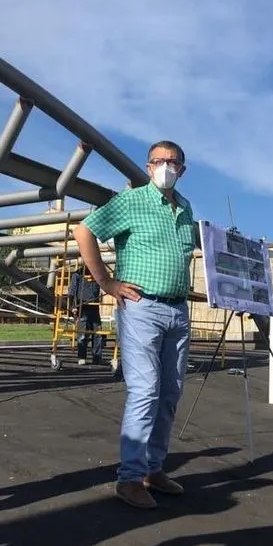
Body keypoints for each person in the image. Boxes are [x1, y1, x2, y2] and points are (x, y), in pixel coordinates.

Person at [73, 140, 196, 510]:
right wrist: (107, 282)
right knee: (145, 390)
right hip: (142, 306)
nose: (165, 167)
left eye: (172, 162)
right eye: (159, 161)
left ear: (183, 169)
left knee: (170, 392)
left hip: (177, 309)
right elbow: (85, 231)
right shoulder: (132, 201)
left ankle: (152, 468)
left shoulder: (185, 208)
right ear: (147, 167)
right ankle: (129, 477)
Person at [69, 265, 105, 365]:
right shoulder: (77, 274)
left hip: (94, 307)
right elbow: (72, 291)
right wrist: (73, 307)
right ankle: (82, 357)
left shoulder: (97, 273)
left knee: (97, 333)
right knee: (82, 334)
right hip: (82, 307)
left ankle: (97, 357)